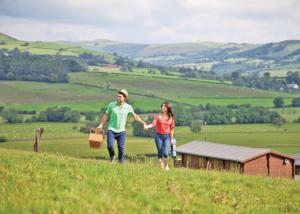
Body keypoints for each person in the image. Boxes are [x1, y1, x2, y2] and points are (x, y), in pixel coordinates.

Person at [97, 89, 146, 163]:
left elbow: (135, 116)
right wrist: (101, 125)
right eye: (118, 96)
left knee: (121, 147)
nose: (118, 98)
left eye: (120, 97)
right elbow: (106, 115)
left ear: (124, 98)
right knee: (110, 146)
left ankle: (121, 162)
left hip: (121, 131)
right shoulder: (111, 105)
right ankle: (112, 156)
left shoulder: (128, 107)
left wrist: (143, 123)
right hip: (111, 130)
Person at [145, 102, 175, 170]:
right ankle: (161, 164)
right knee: (160, 151)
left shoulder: (171, 117)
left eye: (165, 106)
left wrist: (172, 139)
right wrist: (147, 126)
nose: (163, 107)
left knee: (166, 153)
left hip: (167, 137)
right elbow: (153, 124)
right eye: (162, 106)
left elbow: (172, 129)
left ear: (168, 108)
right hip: (158, 136)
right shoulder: (158, 116)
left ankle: (166, 165)